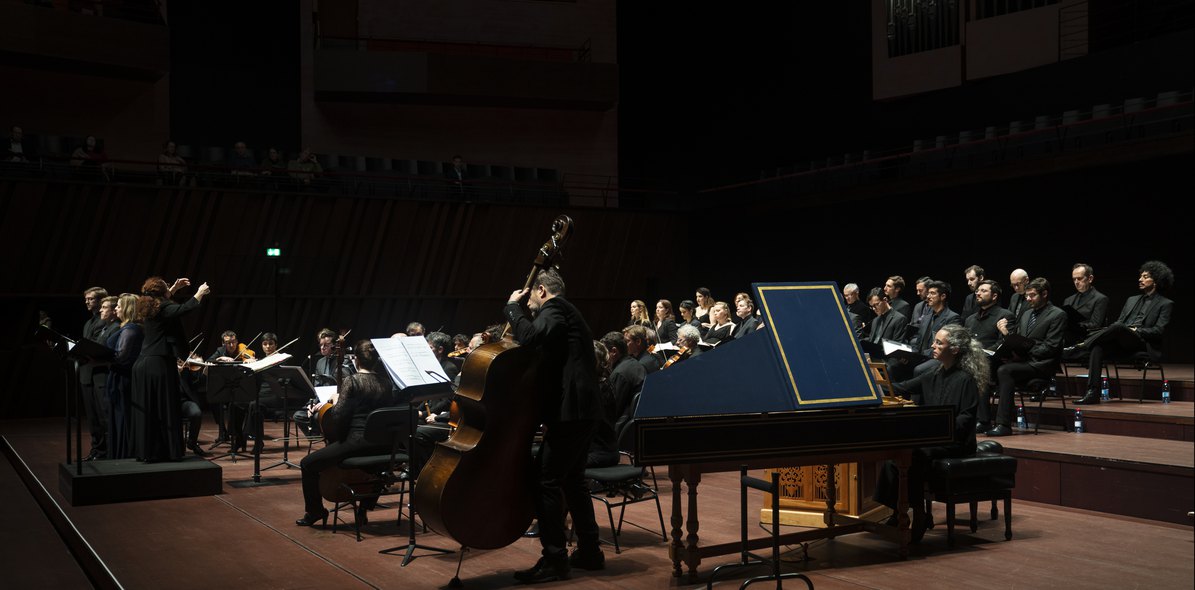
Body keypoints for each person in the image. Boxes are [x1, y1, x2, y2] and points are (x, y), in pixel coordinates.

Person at [504, 269, 604, 583]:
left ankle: (555, 560)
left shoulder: (555, 308)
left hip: (572, 410)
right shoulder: (567, 313)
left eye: (532, 296)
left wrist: (511, 309)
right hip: (583, 409)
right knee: (573, 480)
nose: (530, 303)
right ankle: (589, 552)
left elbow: (532, 337)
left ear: (543, 290)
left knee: (545, 478)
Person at [873, 324, 985, 542]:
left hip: (957, 442)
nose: (933, 346)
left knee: (915, 455)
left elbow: (966, 419)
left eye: (939, 343)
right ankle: (898, 511)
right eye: (934, 341)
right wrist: (871, 384)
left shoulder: (966, 379)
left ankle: (919, 513)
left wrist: (937, 429)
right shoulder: (933, 374)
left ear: (954, 349)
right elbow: (901, 388)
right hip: (935, 439)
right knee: (895, 457)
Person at [296, 340, 398, 527]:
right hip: (383, 444)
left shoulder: (352, 381)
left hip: (357, 443)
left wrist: (333, 402)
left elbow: (337, 417)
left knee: (307, 464)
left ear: (356, 360)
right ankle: (363, 510)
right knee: (377, 470)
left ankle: (315, 511)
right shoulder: (386, 383)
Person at [131, 277, 210, 462]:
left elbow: (164, 305)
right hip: (158, 364)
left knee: (149, 410)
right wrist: (199, 293)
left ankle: (147, 451)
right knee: (163, 408)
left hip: (143, 364)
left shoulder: (149, 306)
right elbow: (182, 309)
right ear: (162, 293)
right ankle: (165, 452)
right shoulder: (163, 308)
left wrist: (172, 289)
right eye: (167, 286)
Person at [1073, 261, 1174, 405]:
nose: (1140, 279)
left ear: (1156, 281)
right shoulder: (1131, 300)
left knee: (1118, 327)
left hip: (1142, 344)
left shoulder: (1165, 304)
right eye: (1140, 276)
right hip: (1122, 342)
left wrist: (1136, 330)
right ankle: (1093, 393)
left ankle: (1083, 345)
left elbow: (1158, 331)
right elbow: (1119, 323)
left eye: (1145, 277)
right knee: (1098, 347)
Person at [984, 278, 1065, 435]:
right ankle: (983, 420)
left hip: (1041, 365)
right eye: (1027, 295)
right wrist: (1008, 339)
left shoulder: (1057, 315)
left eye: (1032, 295)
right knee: (985, 365)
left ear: (1045, 294)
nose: (1028, 299)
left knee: (1005, 371)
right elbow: (1019, 339)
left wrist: (1023, 351)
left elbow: (1051, 347)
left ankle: (1004, 425)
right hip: (1023, 361)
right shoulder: (1027, 313)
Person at [105, 293, 144, 460]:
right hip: (120, 377)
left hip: (124, 380)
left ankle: (123, 455)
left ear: (128, 309)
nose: (116, 309)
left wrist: (97, 356)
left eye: (119, 306)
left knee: (123, 418)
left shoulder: (131, 330)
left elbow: (121, 357)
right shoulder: (126, 328)